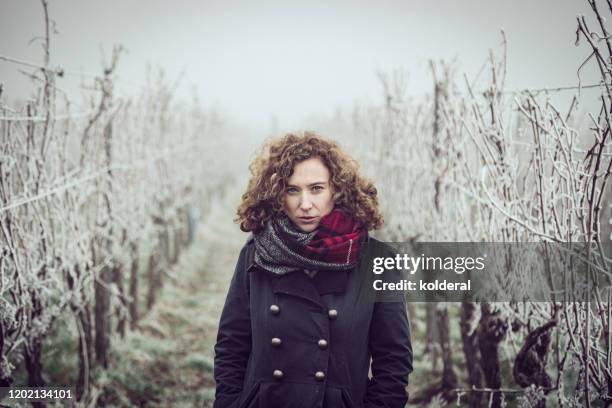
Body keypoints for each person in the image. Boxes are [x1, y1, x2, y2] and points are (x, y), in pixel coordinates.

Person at [213, 131, 413, 408]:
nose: (305, 204)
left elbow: (393, 361)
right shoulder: (256, 252)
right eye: (292, 190)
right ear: (276, 195)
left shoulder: (376, 261)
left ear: (338, 191)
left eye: (316, 189)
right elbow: (231, 345)